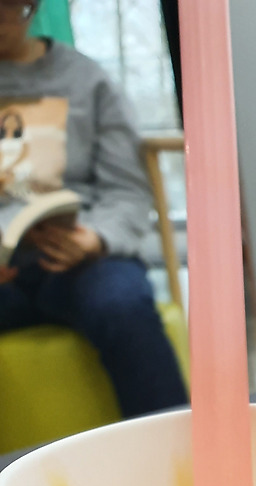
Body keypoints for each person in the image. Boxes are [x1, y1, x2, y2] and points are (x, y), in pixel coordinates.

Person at [0, 0, 187, 419]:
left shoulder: (86, 80)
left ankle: (174, 446)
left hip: (82, 256)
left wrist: (96, 239)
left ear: (28, 7)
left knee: (122, 304)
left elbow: (127, 189)